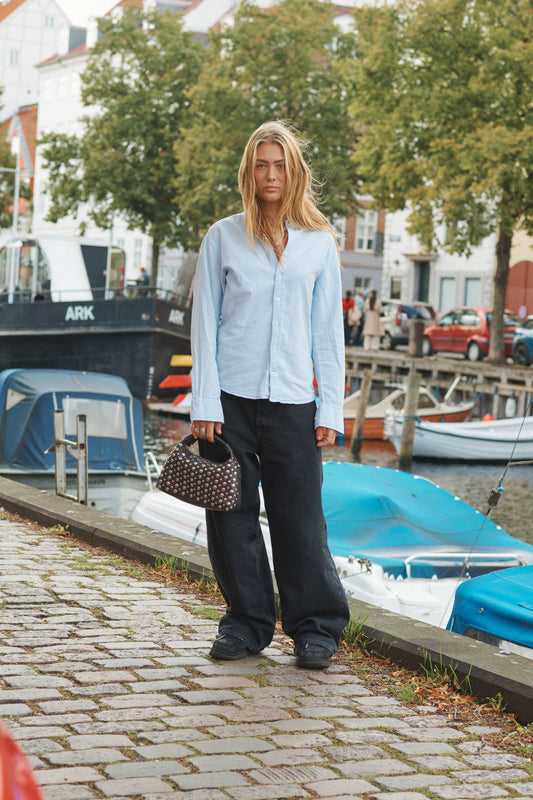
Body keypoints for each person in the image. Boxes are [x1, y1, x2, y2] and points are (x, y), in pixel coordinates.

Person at [190, 120, 350, 670]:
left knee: (300, 520)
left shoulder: (319, 243)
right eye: (261, 165)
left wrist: (331, 407)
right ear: (249, 173)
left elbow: (329, 332)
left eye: (280, 165)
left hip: (294, 403)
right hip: (229, 400)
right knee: (231, 520)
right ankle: (246, 623)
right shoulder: (223, 237)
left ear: (295, 172)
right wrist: (204, 402)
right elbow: (204, 322)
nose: (271, 175)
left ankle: (316, 628)